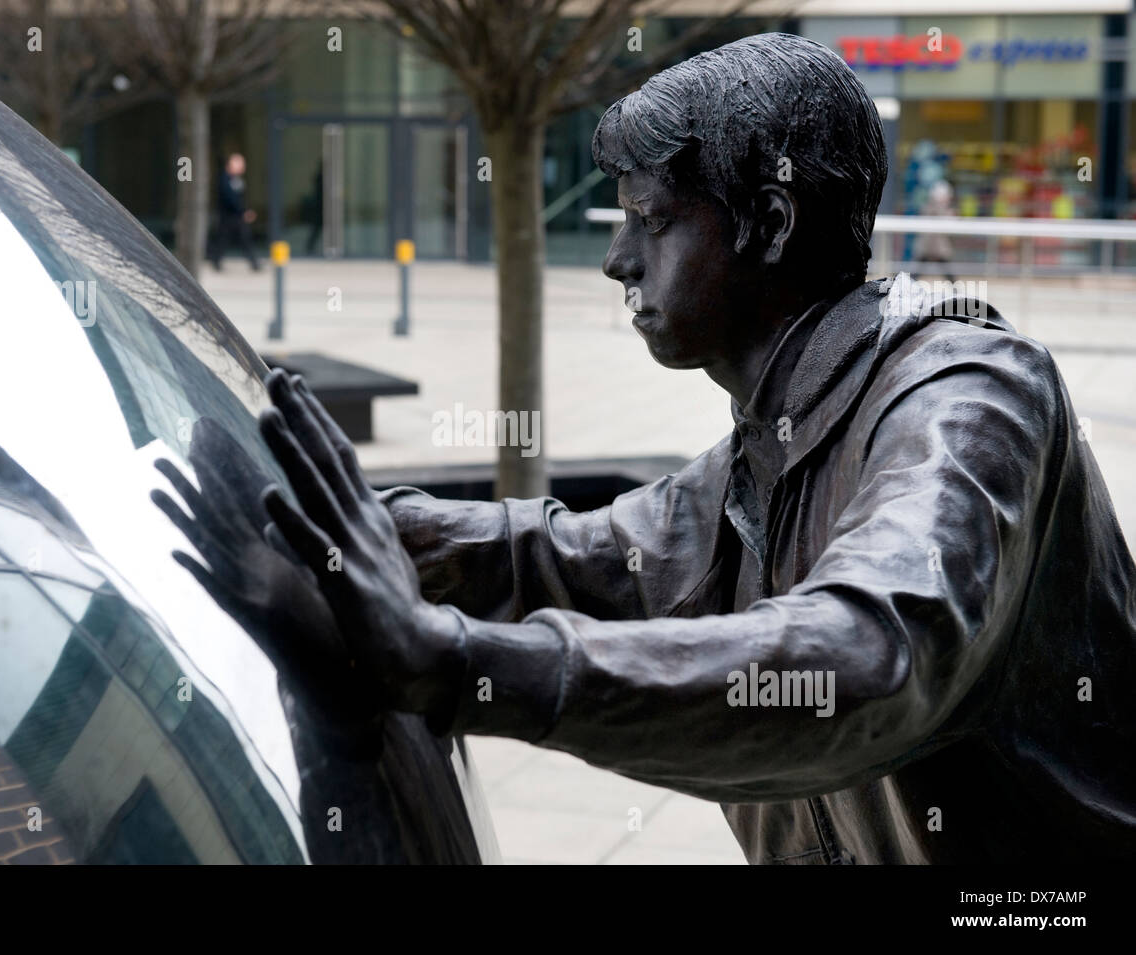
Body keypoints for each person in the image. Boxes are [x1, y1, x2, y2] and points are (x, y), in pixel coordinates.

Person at [167, 34, 1136, 864]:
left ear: (768, 222)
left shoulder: (966, 393)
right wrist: (369, 532)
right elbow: (568, 553)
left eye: (652, 220)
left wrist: (459, 665)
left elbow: (874, 653)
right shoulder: (762, 454)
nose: (616, 258)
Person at [210, 152, 260, 271]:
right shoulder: (225, 179)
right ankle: (216, 260)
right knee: (225, 240)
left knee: (242, 239)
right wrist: (243, 211)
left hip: (235, 216)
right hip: (228, 216)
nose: (242, 167)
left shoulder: (236, 179)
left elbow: (240, 198)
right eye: (239, 164)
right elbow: (230, 198)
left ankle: (254, 263)